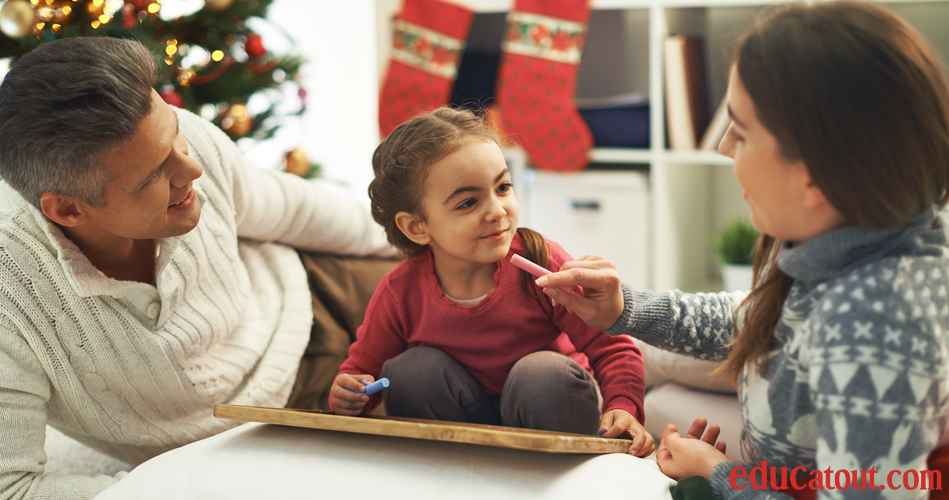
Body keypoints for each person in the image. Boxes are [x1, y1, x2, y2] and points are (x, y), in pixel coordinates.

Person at [535, 1, 949, 498]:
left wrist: (719, 472)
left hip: (794, 473)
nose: (724, 148)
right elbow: (755, 323)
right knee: (656, 388)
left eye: (743, 131)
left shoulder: (871, 322)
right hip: (790, 441)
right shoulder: (850, 229)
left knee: (653, 405)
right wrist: (625, 308)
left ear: (814, 173)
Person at [0, 37, 398, 500]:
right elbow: (14, 488)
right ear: (68, 211)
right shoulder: (11, 294)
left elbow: (294, 211)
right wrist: (183, 486)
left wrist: (416, 238)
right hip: (250, 429)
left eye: (176, 135)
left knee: (471, 297)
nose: (192, 168)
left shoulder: (173, 144)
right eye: (154, 176)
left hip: (304, 289)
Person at [328, 107, 654, 456]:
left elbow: (613, 348)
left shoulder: (540, 263)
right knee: (410, 372)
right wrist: (350, 394)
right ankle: (449, 477)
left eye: (503, 187)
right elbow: (364, 374)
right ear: (417, 227)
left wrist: (624, 406)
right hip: (460, 438)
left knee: (540, 375)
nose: (497, 210)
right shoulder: (400, 292)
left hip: (548, 420)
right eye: (468, 202)